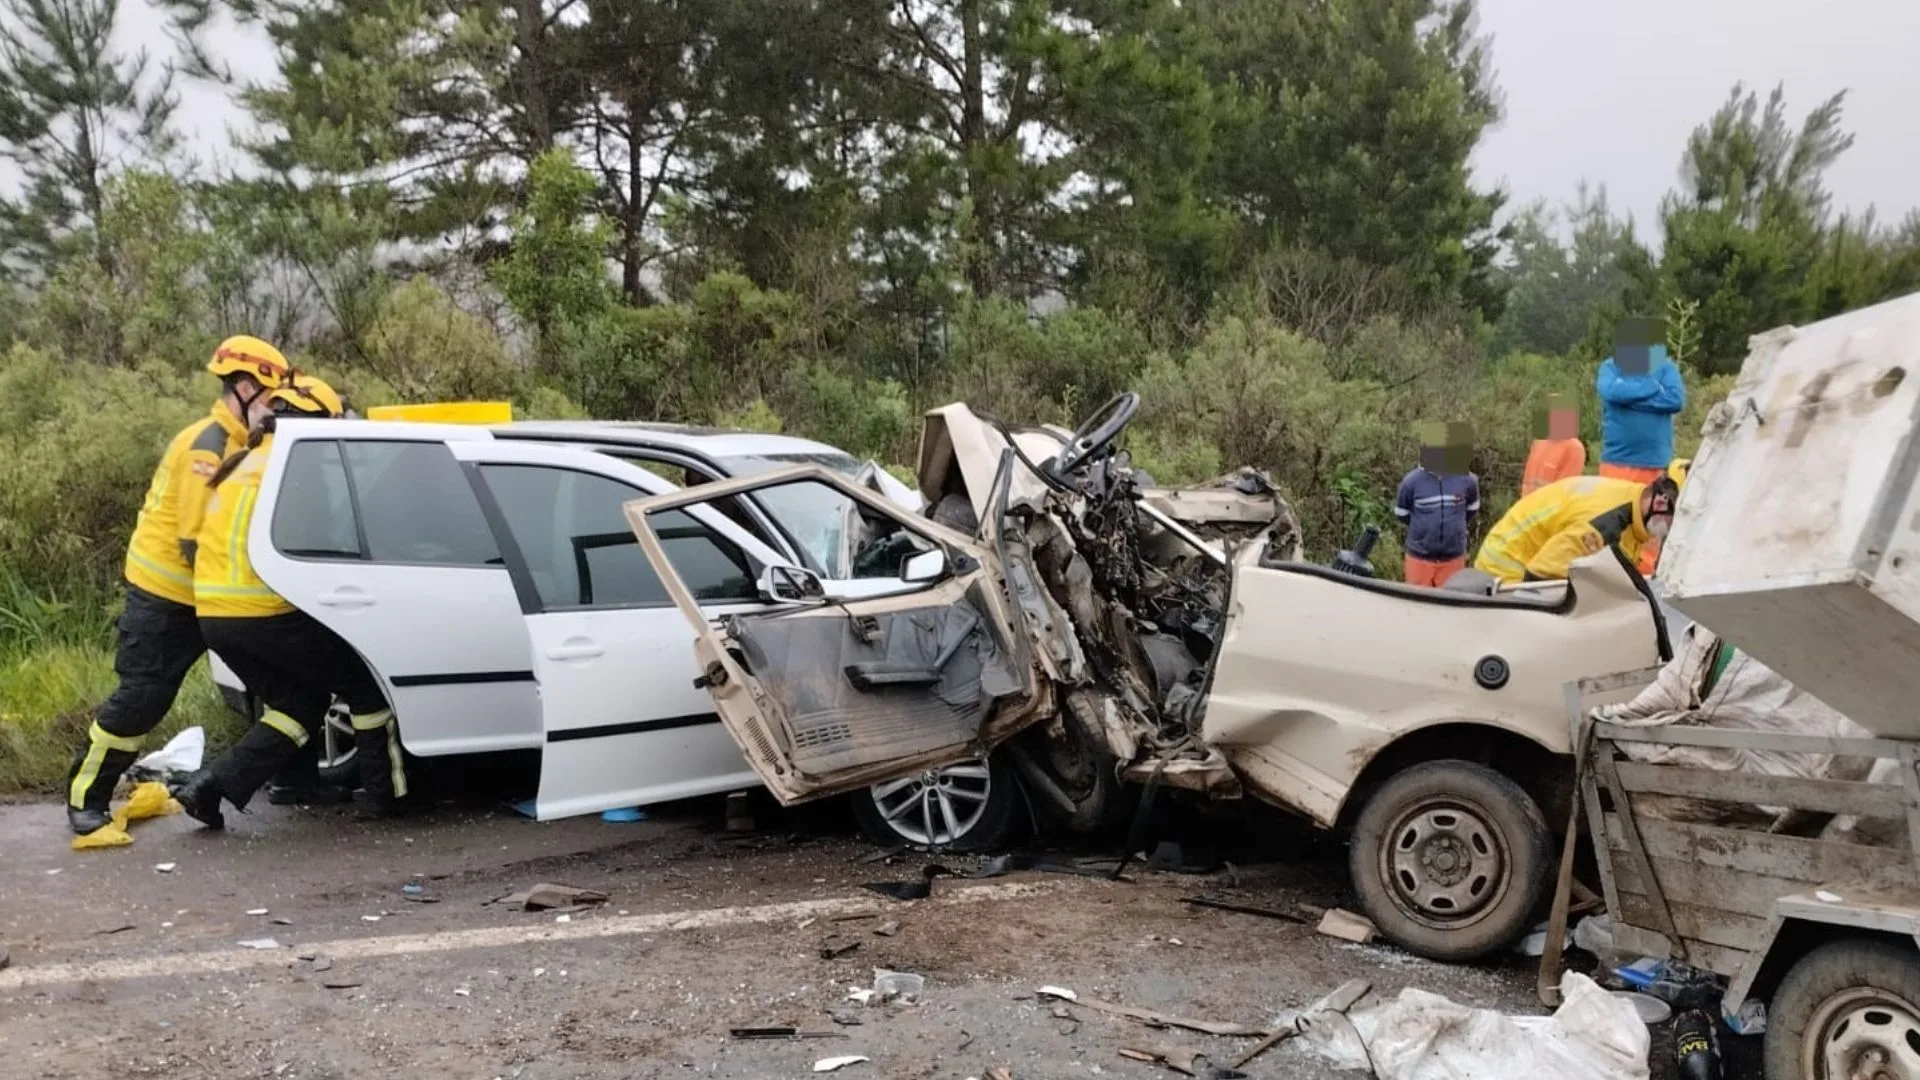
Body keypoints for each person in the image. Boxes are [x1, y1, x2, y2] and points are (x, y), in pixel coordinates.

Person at [63, 336, 292, 836]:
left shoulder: (244, 444)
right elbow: (195, 544)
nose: (277, 410)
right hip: (167, 597)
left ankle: (260, 784)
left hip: (214, 598)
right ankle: (86, 797)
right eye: (273, 399)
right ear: (247, 387)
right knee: (143, 697)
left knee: (291, 693)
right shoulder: (204, 448)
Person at [170, 376, 417, 828]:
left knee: (298, 706)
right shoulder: (294, 471)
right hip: (262, 611)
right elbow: (318, 546)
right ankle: (387, 799)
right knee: (365, 688)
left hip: (216, 615)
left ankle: (214, 786)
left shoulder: (246, 462)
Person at [1472, 473, 1680, 585]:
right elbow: (1542, 574)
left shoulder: (1630, 502)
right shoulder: (1603, 524)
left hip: (1524, 553)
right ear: (1661, 503)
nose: (1673, 530)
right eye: (1675, 521)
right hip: (1506, 569)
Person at [1394, 423, 1481, 587]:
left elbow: (1472, 508)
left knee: (1450, 606)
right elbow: (1401, 513)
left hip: (1453, 558)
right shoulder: (1411, 482)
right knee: (1417, 606)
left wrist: (1455, 527)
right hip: (1419, 559)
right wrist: (1424, 530)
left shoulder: (1467, 479)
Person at [1521, 394, 1586, 497]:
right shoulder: (1539, 442)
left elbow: (1563, 491)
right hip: (1529, 507)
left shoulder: (1574, 448)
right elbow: (1527, 480)